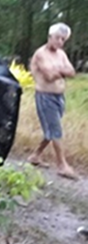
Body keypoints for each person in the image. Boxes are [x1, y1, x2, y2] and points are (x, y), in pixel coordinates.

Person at [27, 23, 78, 180]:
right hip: (45, 96)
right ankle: (62, 165)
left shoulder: (61, 54)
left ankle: (35, 156)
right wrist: (63, 71)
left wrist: (59, 71)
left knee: (51, 130)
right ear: (50, 37)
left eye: (63, 39)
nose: (60, 42)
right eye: (57, 38)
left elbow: (72, 72)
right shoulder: (41, 54)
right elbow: (49, 76)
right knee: (55, 129)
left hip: (59, 97)